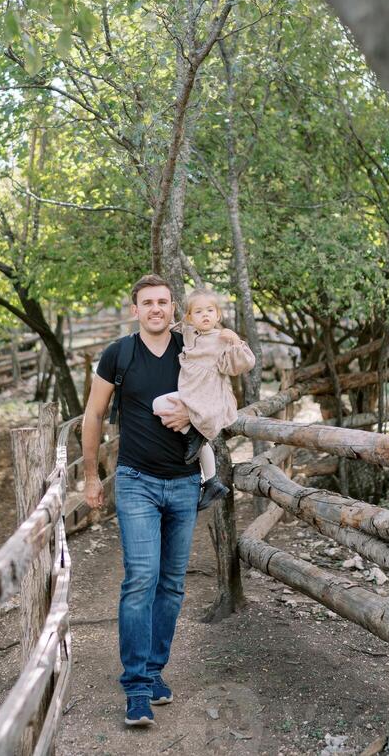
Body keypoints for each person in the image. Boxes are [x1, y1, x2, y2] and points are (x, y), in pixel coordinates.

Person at [82, 274, 199, 728]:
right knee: (141, 579)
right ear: (135, 310)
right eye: (147, 302)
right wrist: (92, 476)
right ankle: (135, 688)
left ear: (174, 308)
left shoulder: (191, 351)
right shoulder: (119, 354)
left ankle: (154, 672)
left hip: (186, 482)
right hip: (136, 482)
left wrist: (195, 412)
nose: (156, 309)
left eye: (163, 302)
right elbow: (93, 414)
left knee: (172, 584)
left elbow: (222, 398)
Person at [153, 288, 256, 511]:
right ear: (190, 317)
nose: (205, 315)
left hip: (207, 396)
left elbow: (244, 364)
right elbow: (175, 327)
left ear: (218, 315)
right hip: (190, 393)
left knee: (198, 437)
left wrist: (236, 340)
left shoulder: (221, 339)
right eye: (198, 312)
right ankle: (211, 481)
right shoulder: (189, 334)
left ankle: (198, 446)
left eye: (210, 310)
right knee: (159, 404)